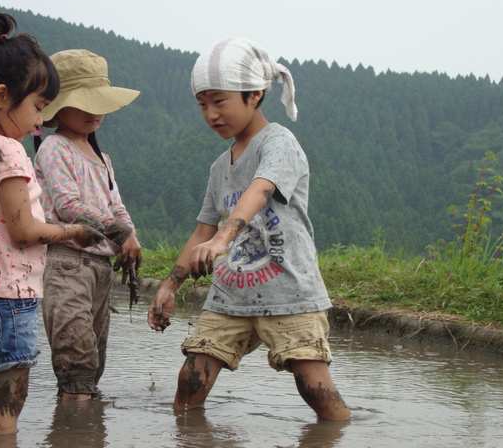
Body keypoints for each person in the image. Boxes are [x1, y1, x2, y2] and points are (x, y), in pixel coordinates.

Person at [147, 38, 351, 420]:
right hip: (232, 292)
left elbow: (260, 189)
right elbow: (201, 231)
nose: (210, 114)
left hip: (289, 289)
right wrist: (169, 285)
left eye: (219, 101)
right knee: (190, 383)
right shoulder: (218, 168)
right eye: (202, 104)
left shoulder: (279, 143)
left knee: (316, 390)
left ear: (255, 95)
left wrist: (223, 239)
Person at [0, 13, 104, 435]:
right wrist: (73, 230)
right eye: (38, 107)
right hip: (8, 292)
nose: (41, 121)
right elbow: (24, 231)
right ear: (3, 96)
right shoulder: (9, 151)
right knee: (11, 397)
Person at [34, 49, 142, 402]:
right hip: (67, 264)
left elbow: (117, 206)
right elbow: (68, 207)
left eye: (99, 104)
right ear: (58, 107)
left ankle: (81, 431)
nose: (94, 113)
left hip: (100, 270)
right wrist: (120, 234)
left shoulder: (102, 158)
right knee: (76, 365)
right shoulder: (54, 148)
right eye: (84, 104)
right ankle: (73, 431)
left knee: (94, 362)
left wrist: (131, 234)